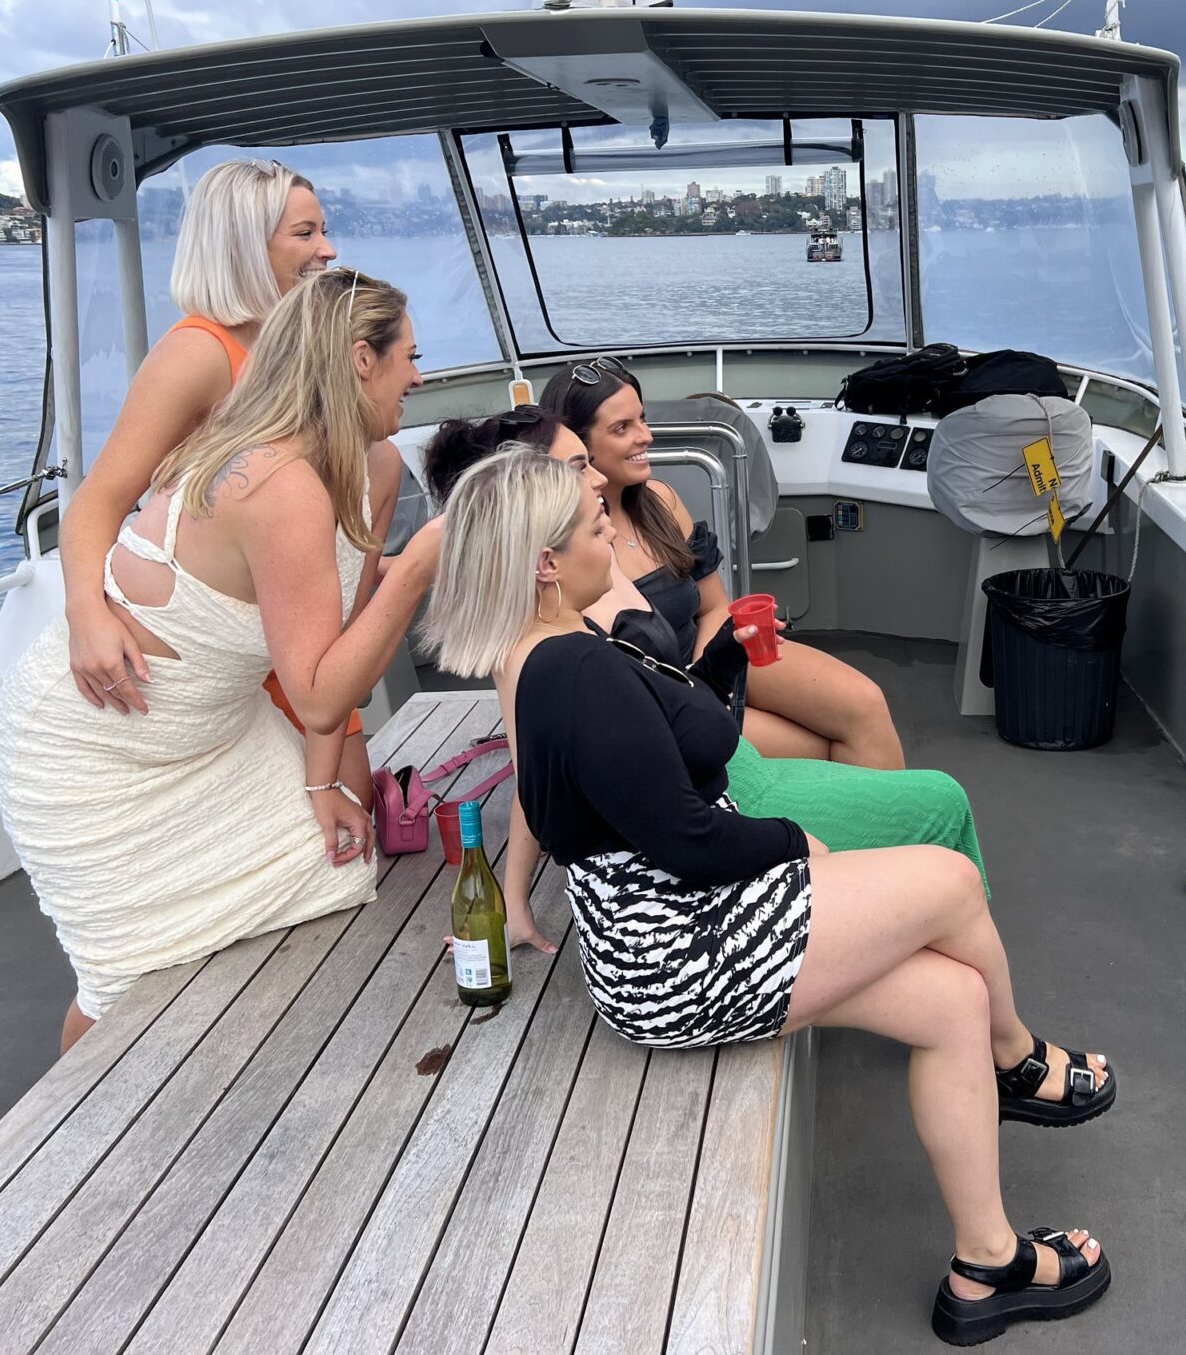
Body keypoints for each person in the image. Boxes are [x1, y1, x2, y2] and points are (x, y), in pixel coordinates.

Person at [424, 446, 1114, 1345]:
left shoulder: (549, 656)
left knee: (952, 998)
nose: (611, 535)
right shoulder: (574, 671)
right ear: (547, 561)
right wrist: (798, 842)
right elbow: (686, 837)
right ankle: (1018, 1061)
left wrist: (723, 659)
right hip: (680, 949)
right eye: (596, 528)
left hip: (656, 940)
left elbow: (675, 747)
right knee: (946, 880)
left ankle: (985, 1267)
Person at [0, 267, 440, 1053]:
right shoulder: (277, 483)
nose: (419, 376)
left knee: (332, 872)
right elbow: (317, 692)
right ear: (361, 363)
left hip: (214, 736)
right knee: (119, 977)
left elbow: (328, 661)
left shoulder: (368, 467)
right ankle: (69, 1136)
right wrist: (416, 569)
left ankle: (218, 1074)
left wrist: (320, 781)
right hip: (92, 751)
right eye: (409, 356)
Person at [419, 410, 986, 953]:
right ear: (534, 520)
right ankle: (908, 921)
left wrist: (720, 656)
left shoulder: (592, 566)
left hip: (708, 746)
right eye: (574, 468)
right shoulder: (552, 637)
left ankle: (892, 923)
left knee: (859, 725)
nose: (593, 478)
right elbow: (539, 778)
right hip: (713, 793)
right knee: (938, 802)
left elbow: (660, 679)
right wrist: (514, 900)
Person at [54, 160, 379, 806]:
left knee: (353, 814)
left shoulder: (296, 351)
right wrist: (86, 615)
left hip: (294, 635)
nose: (328, 249)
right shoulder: (197, 353)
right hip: (229, 656)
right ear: (243, 246)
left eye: (323, 231)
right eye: (305, 234)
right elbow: (98, 500)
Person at [539, 360, 906, 769]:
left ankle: (888, 824)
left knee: (864, 705)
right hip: (663, 702)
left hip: (711, 662)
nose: (646, 436)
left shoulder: (660, 500)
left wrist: (713, 670)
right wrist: (697, 693)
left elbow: (713, 606)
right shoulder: (565, 547)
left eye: (642, 418)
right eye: (621, 428)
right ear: (577, 446)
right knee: (821, 749)